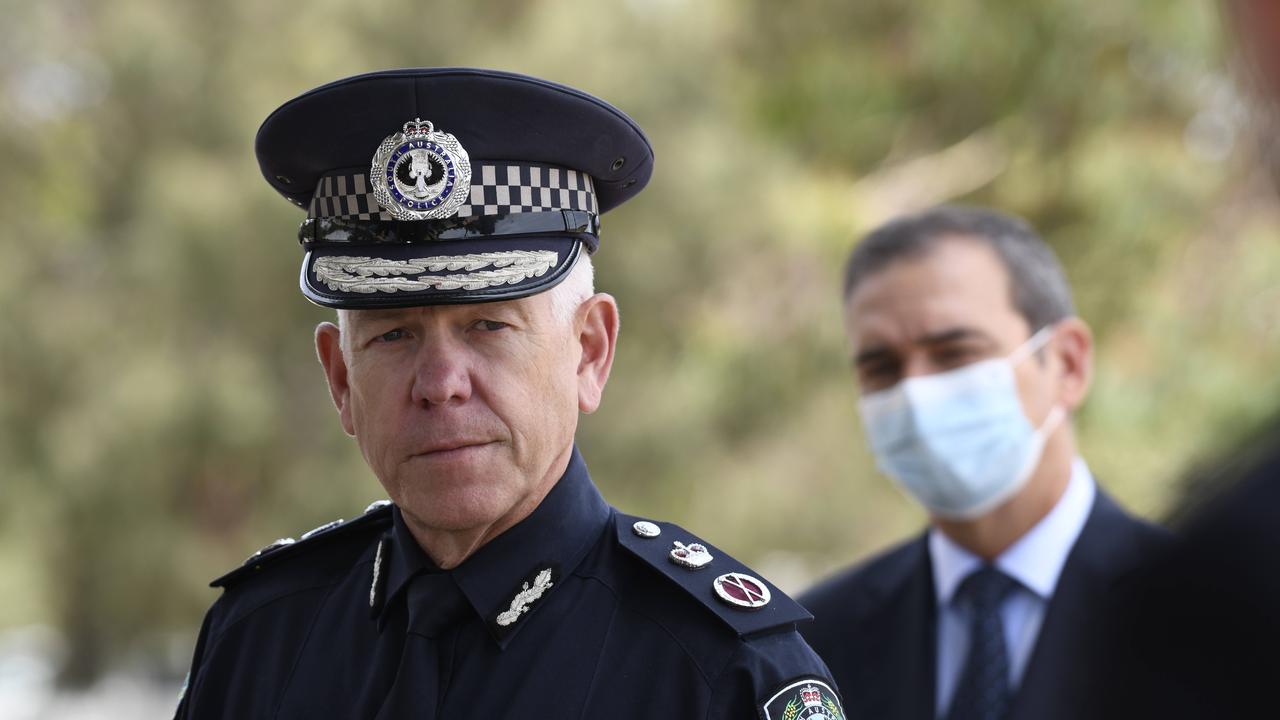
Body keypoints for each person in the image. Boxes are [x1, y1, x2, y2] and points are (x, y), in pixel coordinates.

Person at [173, 68, 844, 720]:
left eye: (488, 325)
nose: (440, 386)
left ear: (590, 351)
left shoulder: (724, 674)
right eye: (393, 335)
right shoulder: (260, 640)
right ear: (340, 378)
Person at [798, 205, 1167, 720]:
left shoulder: (1211, 612)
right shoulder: (815, 644)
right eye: (882, 367)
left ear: (1067, 364)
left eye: (955, 353)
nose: (915, 394)